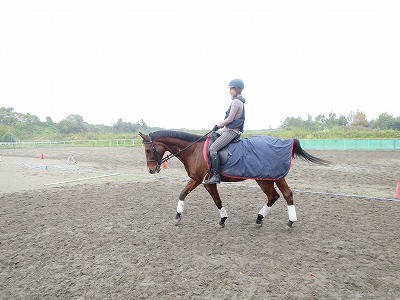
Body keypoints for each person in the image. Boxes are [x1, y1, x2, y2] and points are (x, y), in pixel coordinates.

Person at [204, 78, 246, 185]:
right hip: (227, 130)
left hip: (231, 132)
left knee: (213, 149)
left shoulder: (236, 102)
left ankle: (217, 175)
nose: (230, 90)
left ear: (237, 89)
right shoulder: (238, 101)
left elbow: (230, 119)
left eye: (231, 88)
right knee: (211, 136)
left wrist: (218, 125)